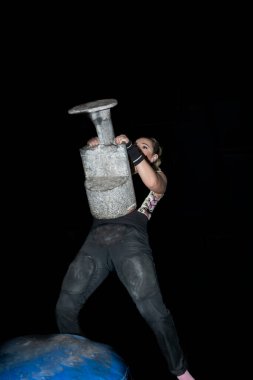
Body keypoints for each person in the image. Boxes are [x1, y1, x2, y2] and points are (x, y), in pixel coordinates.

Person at [55, 134, 195, 380]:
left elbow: (155, 184)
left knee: (154, 311)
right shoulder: (111, 171)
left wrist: (131, 147)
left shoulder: (158, 176)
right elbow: (88, 149)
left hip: (130, 242)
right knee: (65, 305)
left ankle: (180, 371)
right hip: (96, 239)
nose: (138, 148)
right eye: (137, 144)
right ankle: (77, 358)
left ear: (153, 157)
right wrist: (99, 142)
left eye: (145, 147)